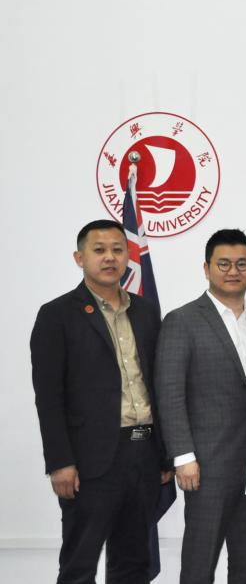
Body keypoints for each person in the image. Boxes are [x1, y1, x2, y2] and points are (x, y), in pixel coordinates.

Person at [30, 219, 172, 582]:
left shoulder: (146, 312)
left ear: (128, 256)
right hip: (90, 463)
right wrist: (60, 462)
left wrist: (163, 454)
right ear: (79, 258)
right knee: (79, 564)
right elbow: (49, 397)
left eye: (117, 250)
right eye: (99, 250)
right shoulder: (57, 314)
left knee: (134, 562)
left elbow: (157, 384)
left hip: (144, 456)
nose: (110, 257)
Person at [156, 228, 246, 583]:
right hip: (207, 466)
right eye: (224, 264)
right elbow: (170, 393)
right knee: (199, 564)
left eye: (242, 264)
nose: (233, 271)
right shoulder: (183, 320)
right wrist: (183, 457)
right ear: (206, 269)